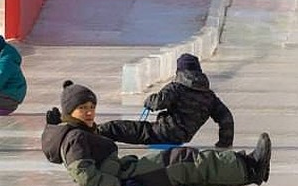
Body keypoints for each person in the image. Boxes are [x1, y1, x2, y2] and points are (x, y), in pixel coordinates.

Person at [41, 80, 271, 186]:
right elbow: (85, 178)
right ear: (70, 112)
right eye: (82, 108)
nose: (89, 112)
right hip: (126, 180)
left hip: (126, 173)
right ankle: (249, 166)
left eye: (91, 107)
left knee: (186, 172)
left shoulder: (78, 131)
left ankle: (249, 170)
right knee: (185, 162)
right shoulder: (75, 138)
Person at [97, 53, 235, 148]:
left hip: (162, 132)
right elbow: (226, 118)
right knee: (134, 129)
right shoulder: (210, 96)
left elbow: (156, 103)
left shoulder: (176, 87)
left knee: (116, 128)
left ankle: (92, 133)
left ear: (179, 70)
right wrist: (224, 143)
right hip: (183, 137)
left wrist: (149, 100)